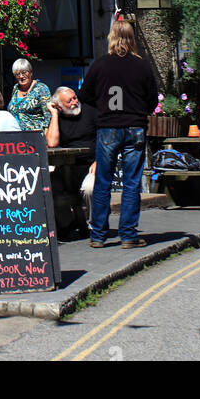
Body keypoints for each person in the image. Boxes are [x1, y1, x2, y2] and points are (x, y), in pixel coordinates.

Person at [80, 18, 158, 248]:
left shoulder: (100, 65)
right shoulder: (142, 66)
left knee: (103, 182)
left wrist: (103, 105)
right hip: (134, 128)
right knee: (131, 182)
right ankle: (128, 235)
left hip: (107, 128)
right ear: (132, 39)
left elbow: (85, 95)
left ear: (112, 39)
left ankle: (98, 236)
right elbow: (152, 100)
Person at [45, 85, 97, 238]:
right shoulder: (59, 117)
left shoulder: (90, 112)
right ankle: (66, 223)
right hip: (69, 166)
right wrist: (53, 114)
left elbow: (105, 139)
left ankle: (95, 226)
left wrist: (99, 161)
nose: (75, 102)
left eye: (75, 98)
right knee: (49, 185)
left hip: (91, 165)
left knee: (89, 188)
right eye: (69, 101)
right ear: (60, 106)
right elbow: (52, 143)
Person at [8, 58, 52, 131]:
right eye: (17, 74)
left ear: (31, 72)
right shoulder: (15, 88)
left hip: (35, 135)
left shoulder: (41, 88)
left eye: (24, 72)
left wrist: (47, 136)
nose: (21, 76)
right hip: (16, 136)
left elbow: (48, 116)